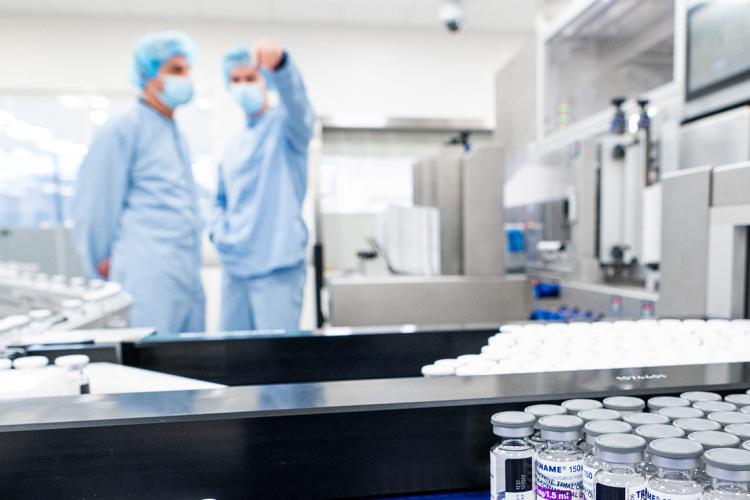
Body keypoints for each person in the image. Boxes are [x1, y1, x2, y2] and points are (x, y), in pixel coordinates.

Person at [73, 31, 205, 334]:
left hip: (185, 272)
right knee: (153, 366)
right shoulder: (123, 128)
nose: (185, 78)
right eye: (175, 70)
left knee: (193, 363)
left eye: (186, 70)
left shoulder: (174, 133)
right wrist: (99, 261)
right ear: (149, 75)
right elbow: (95, 202)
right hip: (147, 273)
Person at [210, 39, 315, 331]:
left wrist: (281, 65)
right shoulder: (233, 145)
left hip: (277, 266)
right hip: (235, 266)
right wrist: (217, 232)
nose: (243, 85)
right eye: (236, 79)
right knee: (232, 361)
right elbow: (219, 200)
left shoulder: (287, 129)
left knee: (275, 362)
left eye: (250, 77)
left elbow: (298, 104)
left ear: (265, 81)